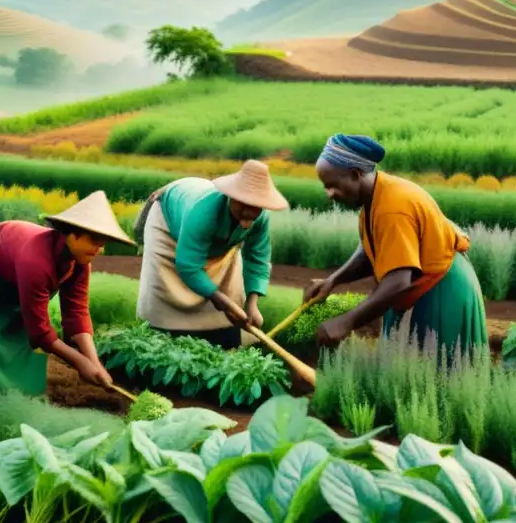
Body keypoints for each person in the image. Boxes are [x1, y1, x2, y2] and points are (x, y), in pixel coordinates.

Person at [304, 133, 488, 368]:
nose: (329, 195)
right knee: (406, 372)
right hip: (420, 286)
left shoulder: (393, 208)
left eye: (332, 186)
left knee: (437, 376)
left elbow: (399, 280)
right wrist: (333, 280)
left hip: (441, 289)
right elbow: (372, 251)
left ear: (355, 175)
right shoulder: (374, 198)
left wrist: (346, 322)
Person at [0, 191, 134, 395]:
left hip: (12, 275)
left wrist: (95, 363)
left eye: (102, 245)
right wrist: (78, 361)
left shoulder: (80, 261)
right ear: (72, 234)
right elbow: (40, 333)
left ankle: (17, 399)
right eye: (94, 242)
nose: (99, 250)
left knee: (17, 338)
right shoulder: (36, 261)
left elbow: (77, 312)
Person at [135, 160, 288, 348]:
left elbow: (257, 259)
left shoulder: (261, 218)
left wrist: (252, 303)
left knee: (230, 292)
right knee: (166, 289)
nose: (249, 211)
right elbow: (188, 266)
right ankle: (159, 345)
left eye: (255, 206)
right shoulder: (204, 210)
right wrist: (222, 302)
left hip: (215, 243)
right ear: (231, 196)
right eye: (243, 204)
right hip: (169, 225)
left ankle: (223, 340)